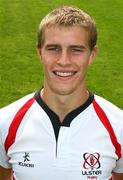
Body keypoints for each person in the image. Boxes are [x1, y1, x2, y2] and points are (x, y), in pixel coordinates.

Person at [0, 5, 123, 180]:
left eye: (76, 50)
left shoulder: (119, 127)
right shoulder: (5, 123)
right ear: (39, 52)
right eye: (53, 48)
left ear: (92, 54)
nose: (64, 61)